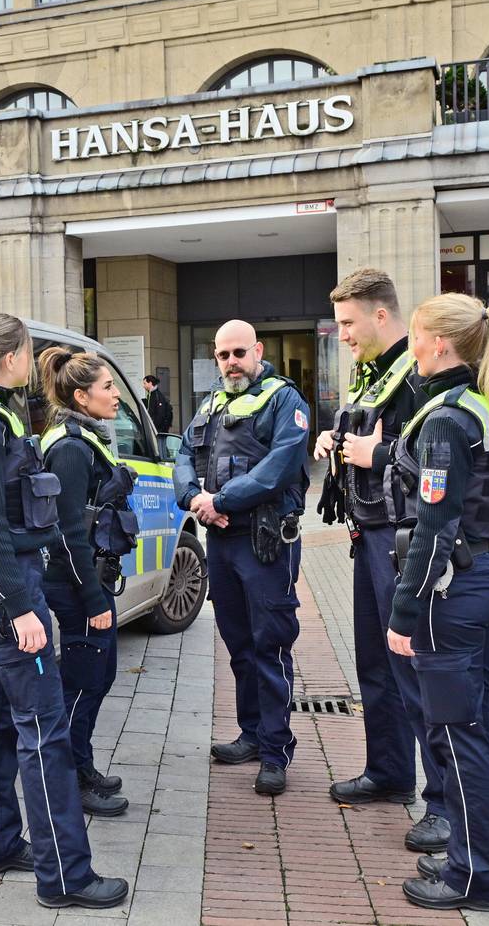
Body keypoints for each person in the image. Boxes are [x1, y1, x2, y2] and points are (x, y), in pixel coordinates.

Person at [0, 312, 128, 911]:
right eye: (27, 351)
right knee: (44, 729)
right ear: (10, 357)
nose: (31, 360)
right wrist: (21, 609)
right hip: (6, 589)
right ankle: (65, 876)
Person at [385, 294, 489, 913]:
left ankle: (473, 877)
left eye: (415, 333)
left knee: (459, 735)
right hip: (483, 575)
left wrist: (404, 613)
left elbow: (433, 528)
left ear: (440, 342)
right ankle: (487, 858)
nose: (410, 345)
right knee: (481, 731)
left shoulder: (445, 418)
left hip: (451, 591)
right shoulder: (480, 406)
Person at [313, 268, 448, 853]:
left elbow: (432, 463)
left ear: (381, 315)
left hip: (402, 541)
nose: (342, 334)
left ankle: (443, 804)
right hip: (369, 537)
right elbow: (365, 443)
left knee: (415, 670)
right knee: (375, 663)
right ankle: (390, 772)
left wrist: (377, 451)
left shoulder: (417, 379)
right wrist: (334, 444)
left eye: (348, 323)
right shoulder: (373, 377)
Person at [173, 319, 309, 796]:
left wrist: (220, 501)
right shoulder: (211, 402)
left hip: (264, 541)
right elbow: (184, 455)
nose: (231, 362)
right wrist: (193, 497)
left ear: (257, 350)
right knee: (239, 646)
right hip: (222, 539)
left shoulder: (283, 399)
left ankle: (275, 752)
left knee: (270, 645)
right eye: (223, 354)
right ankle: (251, 734)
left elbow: (282, 466)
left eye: (238, 353)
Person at [38, 347, 137, 818]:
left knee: (97, 675)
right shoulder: (72, 448)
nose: (116, 395)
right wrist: (93, 596)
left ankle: (83, 765)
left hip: (84, 581)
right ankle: (73, 781)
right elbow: (69, 532)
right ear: (82, 395)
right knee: (83, 681)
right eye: (108, 387)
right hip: (77, 584)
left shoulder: (80, 439)